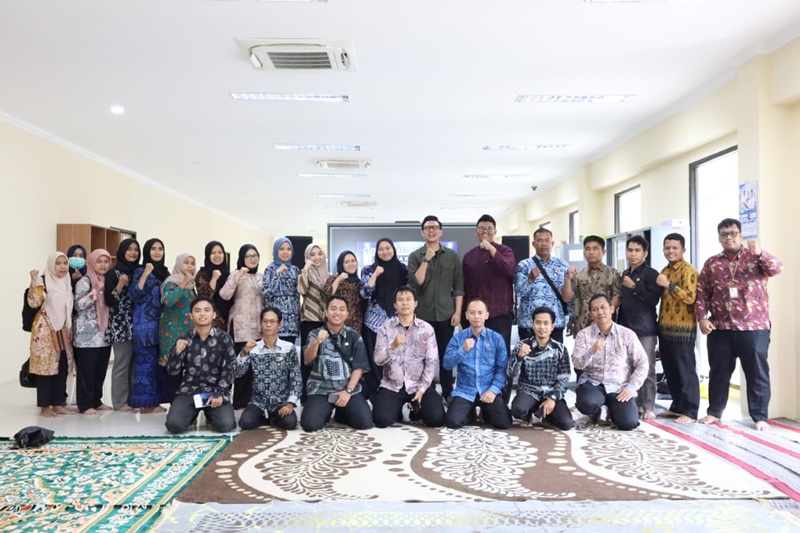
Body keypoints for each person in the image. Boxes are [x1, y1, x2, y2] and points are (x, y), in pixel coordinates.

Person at [696, 218, 783, 431]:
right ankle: (714, 412)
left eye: (733, 233)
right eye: (724, 234)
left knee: (756, 373)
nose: (729, 237)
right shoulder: (712, 263)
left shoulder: (755, 257)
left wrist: (760, 253)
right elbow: (702, 292)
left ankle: (760, 416)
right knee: (719, 372)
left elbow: (776, 268)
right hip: (721, 327)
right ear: (719, 238)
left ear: (741, 235)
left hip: (754, 326)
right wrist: (702, 317)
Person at [372, 285, 445, 428]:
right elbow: (377, 360)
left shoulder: (426, 329)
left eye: (408, 299)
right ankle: (397, 411)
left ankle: (416, 411)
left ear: (416, 303)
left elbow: (431, 362)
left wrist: (422, 390)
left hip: (418, 385)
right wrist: (393, 346)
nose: (404, 303)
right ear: (395, 305)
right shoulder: (385, 328)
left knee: (437, 419)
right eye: (400, 300)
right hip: (393, 385)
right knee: (381, 420)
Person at [408, 215, 465, 400]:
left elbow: (458, 287)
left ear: (441, 231)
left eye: (434, 227)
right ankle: (427, 393)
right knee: (424, 357)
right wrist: (426, 259)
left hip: (446, 315)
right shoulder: (415, 256)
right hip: (422, 316)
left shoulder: (452, 256)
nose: (431, 231)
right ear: (422, 233)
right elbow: (416, 283)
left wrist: (458, 312)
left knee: (446, 356)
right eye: (427, 228)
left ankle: (448, 392)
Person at [572, 294, 648, 430]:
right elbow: (577, 364)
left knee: (628, 423)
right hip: (593, 383)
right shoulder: (584, 335)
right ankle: (596, 412)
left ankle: (612, 411)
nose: (600, 312)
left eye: (603, 308)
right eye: (595, 309)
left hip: (619, 386)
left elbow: (642, 363)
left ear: (612, 309)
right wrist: (591, 351)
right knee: (586, 403)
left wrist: (631, 388)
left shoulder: (627, 334)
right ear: (591, 313)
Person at [461, 214, 516, 401]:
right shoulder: (469, 256)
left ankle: (502, 397)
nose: (485, 232)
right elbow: (465, 287)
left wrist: (492, 249)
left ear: (495, 231)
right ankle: (477, 395)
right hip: (476, 317)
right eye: (482, 228)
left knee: (501, 356)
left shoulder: (505, 251)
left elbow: (509, 270)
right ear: (476, 231)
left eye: (489, 228)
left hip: (500, 314)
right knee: (476, 356)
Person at [165, 296, 236, 434]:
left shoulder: (224, 339)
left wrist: (219, 393)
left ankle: (211, 415)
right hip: (189, 391)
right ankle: (191, 416)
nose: (202, 314)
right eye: (197, 311)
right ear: (191, 315)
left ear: (214, 314)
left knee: (226, 425)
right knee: (174, 426)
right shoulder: (184, 339)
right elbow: (172, 371)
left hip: (215, 391)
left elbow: (229, 370)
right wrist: (177, 353)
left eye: (207, 310)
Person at [301, 295, 372, 432]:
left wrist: (348, 391)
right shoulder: (315, 333)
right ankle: (326, 412)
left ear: (347, 314)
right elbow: (307, 359)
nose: (337, 313)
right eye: (333, 309)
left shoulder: (354, 336)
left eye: (341, 309)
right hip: (321, 389)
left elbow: (359, 367)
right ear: (326, 312)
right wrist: (317, 342)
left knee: (364, 422)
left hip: (346, 388)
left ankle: (341, 413)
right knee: (310, 424)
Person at [443, 298, 512, 430]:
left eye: (480, 313)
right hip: (465, 391)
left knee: (504, 423)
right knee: (452, 422)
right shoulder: (458, 338)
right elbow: (447, 364)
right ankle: (470, 414)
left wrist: (493, 390)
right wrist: (462, 350)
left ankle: (486, 414)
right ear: (466, 315)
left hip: (488, 390)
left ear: (486, 315)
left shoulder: (496, 338)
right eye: (472, 312)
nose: (476, 316)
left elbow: (502, 368)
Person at [655, 233, 700, 424]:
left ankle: (690, 411)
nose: (670, 251)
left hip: (683, 330)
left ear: (683, 250)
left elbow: (690, 297)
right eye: (667, 248)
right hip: (665, 329)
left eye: (674, 248)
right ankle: (677, 407)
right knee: (671, 370)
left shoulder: (689, 271)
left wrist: (668, 285)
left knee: (685, 371)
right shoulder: (665, 270)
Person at [616, 235, 661, 420]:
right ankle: (632, 405)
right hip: (625, 327)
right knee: (627, 368)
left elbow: (653, 299)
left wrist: (634, 286)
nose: (633, 254)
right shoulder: (625, 273)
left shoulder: (651, 274)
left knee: (647, 367)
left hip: (645, 329)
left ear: (645, 253)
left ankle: (648, 406)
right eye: (630, 250)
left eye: (637, 250)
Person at [235, 307, 302, 430]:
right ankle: (265, 417)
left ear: (279, 325)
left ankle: (272, 417)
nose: (268, 325)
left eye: (272, 321)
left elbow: (296, 378)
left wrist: (290, 403)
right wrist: (244, 352)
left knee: (290, 423)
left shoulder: (288, 348)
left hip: (281, 401)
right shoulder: (253, 348)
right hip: (258, 401)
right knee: (245, 423)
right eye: (265, 321)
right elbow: (238, 373)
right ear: (260, 324)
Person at [508, 306, 574, 430]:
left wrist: (552, 398)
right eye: (538, 323)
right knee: (518, 409)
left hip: (551, 392)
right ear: (532, 325)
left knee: (566, 424)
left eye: (546, 323)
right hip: (529, 391)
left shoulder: (560, 349)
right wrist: (519, 357)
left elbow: (564, 378)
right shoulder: (522, 346)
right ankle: (530, 412)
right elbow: (511, 373)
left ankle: (545, 414)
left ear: (552, 326)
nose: (542, 327)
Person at [28, 252, 75, 418]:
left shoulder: (67, 281)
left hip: (62, 330)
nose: (62, 267)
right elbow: (33, 302)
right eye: (58, 263)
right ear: (50, 265)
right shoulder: (43, 281)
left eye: (65, 263)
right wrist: (33, 282)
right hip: (46, 331)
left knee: (62, 367)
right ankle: (44, 407)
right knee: (45, 369)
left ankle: (58, 403)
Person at [360, 238, 408, 399]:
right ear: (376, 252)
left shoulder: (403, 270)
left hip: (396, 322)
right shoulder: (369, 269)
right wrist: (375, 274)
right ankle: (376, 393)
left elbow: (407, 295)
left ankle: (393, 392)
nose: (385, 252)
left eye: (388, 248)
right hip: (373, 323)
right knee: (375, 358)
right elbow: (365, 293)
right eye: (381, 249)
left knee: (395, 357)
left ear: (393, 249)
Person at [219, 244, 263, 409]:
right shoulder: (236, 274)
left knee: (255, 365)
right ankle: (239, 401)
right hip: (240, 326)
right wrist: (237, 277)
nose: (252, 259)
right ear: (242, 258)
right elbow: (224, 295)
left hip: (258, 326)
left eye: (255, 255)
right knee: (240, 362)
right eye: (248, 256)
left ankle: (253, 400)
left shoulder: (262, 276)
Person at [129, 238, 169, 412]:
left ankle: (153, 402)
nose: (157, 252)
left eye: (160, 248)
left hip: (160, 326)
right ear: (147, 252)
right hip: (144, 327)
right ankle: (144, 405)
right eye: (153, 249)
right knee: (144, 366)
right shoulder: (140, 271)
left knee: (156, 366)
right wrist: (146, 273)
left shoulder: (165, 273)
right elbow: (134, 294)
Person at [73, 248, 113, 415]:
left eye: (106, 261)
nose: (103, 265)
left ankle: (96, 401)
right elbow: (79, 305)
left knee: (100, 370)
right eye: (99, 261)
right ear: (91, 263)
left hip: (103, 333)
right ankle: (85, 404)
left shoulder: (109, 280)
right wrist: (95, 291)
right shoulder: (84, 281)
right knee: (87, 371)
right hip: (86, 335)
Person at [103, 238, 140, 412]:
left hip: (137, 323)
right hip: (120, 325)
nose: (133, 252)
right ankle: (119, 403)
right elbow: (109, 300)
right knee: (122, 364)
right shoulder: (114, 273)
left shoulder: (138, 272)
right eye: (129, 249)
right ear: (122, 251)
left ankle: (131, 400)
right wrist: (120, 285)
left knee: (134, 365)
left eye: (136, 249)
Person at [514, 228, 570, 343]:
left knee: (555, 354)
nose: (543, 244)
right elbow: (518, 292)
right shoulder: (524, 265)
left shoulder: (563, 266)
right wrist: (530, 280)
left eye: (547, 240)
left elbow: (568, 297)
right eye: (539, 240)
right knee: (528, 354)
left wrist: (572, 316)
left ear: (552, 243)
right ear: (533, 244)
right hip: (529, 323)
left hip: (555, 323)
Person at [562, 235, 621, 336]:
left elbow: (618, 297)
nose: (591, 252)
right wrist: (568, 278)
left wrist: (603, 313)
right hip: (582, 327)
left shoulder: (612, 273)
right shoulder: (578, 275)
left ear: (603, 252)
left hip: (605, 326)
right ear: (584, 252)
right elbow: (566, 298)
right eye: (588, 249)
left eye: (595, 248)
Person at [160, 253, 197, 400]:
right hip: (172, 332)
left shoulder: (192, 285)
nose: (189, 266)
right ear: (179, 264)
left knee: (187, 369)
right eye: (186, 262)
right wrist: (183, 283)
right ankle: (173, 403)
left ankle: (184, 403)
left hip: (188, 332)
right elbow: (169, 302)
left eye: (192, 263)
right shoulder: (171, 282)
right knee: (174, 367)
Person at [297, 243, 329, 403]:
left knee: (323, 357)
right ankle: (305, 395)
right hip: (309, 319)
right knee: (308, 357)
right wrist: (305, 268)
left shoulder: (327, 274)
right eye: (313, 254)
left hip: (325, 320)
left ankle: (320, 392)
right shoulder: (306, 272)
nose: (317, 257)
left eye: (319, 254)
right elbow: (301, 290)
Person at [262, 237, 301, 344]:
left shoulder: (295, 269)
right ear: (276, 250)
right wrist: (277, 273)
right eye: (282, 249)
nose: (285, 252)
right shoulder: (270, 269)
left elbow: (301, 290)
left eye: (288, 249)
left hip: (292, 323)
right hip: (275, 321)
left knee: (289, 351)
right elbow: (266, 292)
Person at [323, 250, 366, 333]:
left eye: (353, 261)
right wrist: (339, 279)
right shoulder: (333, 279)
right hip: (336, 323)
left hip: (355, 327)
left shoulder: (360, 283)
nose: (351, 264)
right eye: (346, 262)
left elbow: (364, 306)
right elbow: (326, 296)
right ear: (341, 264)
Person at [195, 240, 231, 331]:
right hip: (213, 321)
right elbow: (205, 297)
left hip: (229, 320)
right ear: (207, 255)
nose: (217, 255)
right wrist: (214, 278)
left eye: (220, 252)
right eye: (213, 253)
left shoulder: (228, 274)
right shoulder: (202, 274)